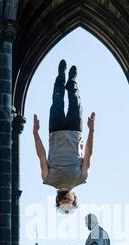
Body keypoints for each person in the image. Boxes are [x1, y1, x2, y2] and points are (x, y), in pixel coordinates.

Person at [33, 59, 96, 214]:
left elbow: (41, 156)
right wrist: (91, 130)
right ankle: (72, 81)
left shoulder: (48, 179)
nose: (66, 202)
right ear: (74, 198)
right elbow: (88, 154)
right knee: (75, 100)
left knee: (57, 98)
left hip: (55, 131)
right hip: (75, 132)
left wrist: (35, 133)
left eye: (63, 204)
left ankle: (61, 76)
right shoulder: (82, 178)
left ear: (58, 200)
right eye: (69, 203)